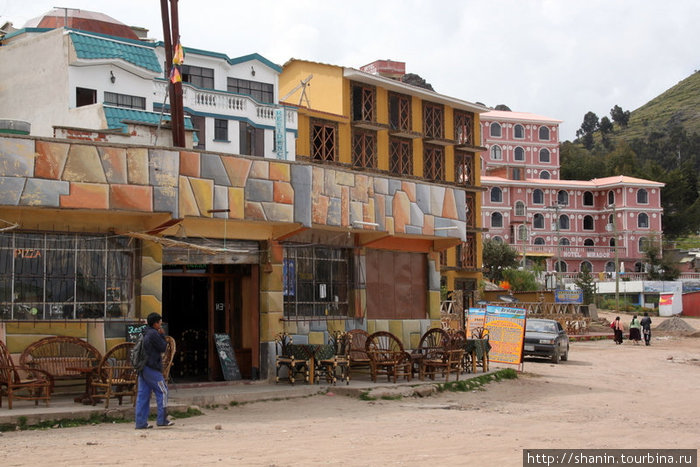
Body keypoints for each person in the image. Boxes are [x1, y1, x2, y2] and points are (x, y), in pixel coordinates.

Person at [135, 312, 174, 429]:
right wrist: (162, 335)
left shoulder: (145, 332)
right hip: (152, 368)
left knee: (143, 395)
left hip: (143, 368)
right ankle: (162, 419)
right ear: (156, 323)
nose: (161, 324)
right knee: (163, 391)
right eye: (160, 322)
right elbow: (163, 347)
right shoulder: (154, 334)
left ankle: (140, 422)